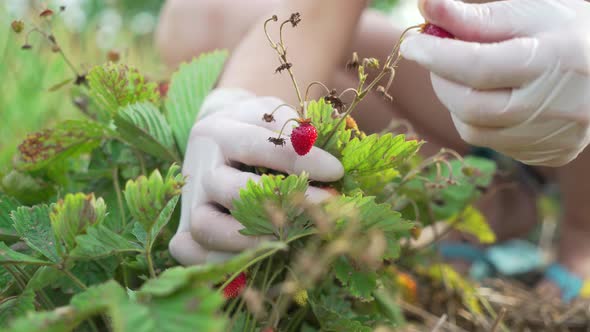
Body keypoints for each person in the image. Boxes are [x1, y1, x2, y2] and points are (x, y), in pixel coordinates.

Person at [155, 0, 590, 302]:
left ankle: (580, 237)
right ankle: (476, 200)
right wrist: (241, 103)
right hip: (465, 89)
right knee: (199, 20)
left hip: (576, 127)